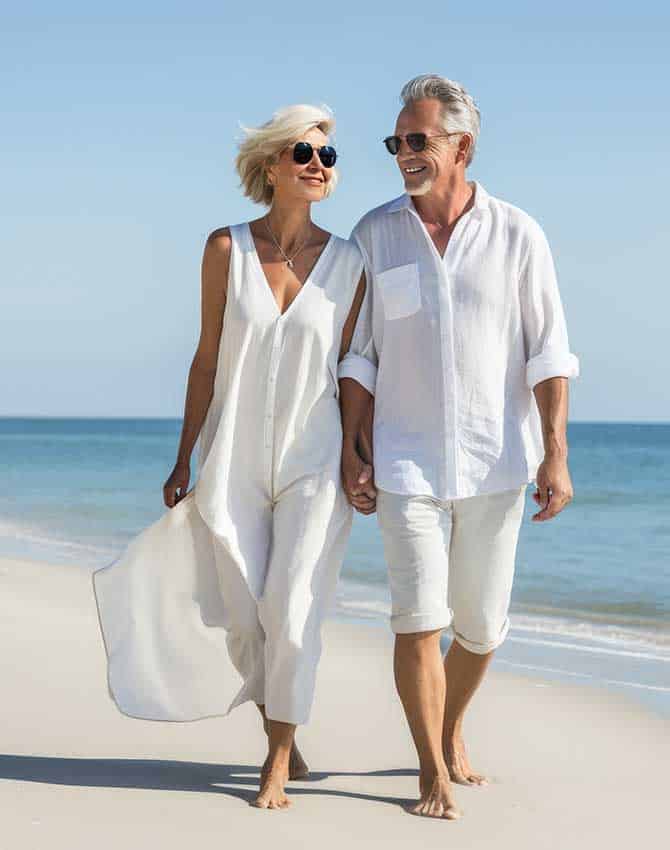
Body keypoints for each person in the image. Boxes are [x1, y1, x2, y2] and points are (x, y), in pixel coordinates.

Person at [93, 103, 375, 811]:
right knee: (247, 614)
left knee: (293, 605)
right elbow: (207, 359)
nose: (318, 165)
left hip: (315, 457)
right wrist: (183, 456)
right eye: (304, 153)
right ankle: (284, 728)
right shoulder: (226, 248)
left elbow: (353, 368)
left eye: (328, 157)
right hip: (233, 454)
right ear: (272, 165)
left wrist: (356, 452)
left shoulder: (351, 263)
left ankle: (276, 759)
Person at [340, 74, 580, 820]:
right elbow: (359, 355)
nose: (403, 154)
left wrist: (555, 452)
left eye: (418, 140)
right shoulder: (374, 234)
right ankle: (430, 770)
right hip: (404, 458)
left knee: (479, 627)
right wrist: (352, 447)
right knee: (418, 618)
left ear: (462, 146)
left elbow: (548, 351)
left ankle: (449, 729)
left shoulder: (518, 233)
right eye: (396, 142)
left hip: (496, 459)